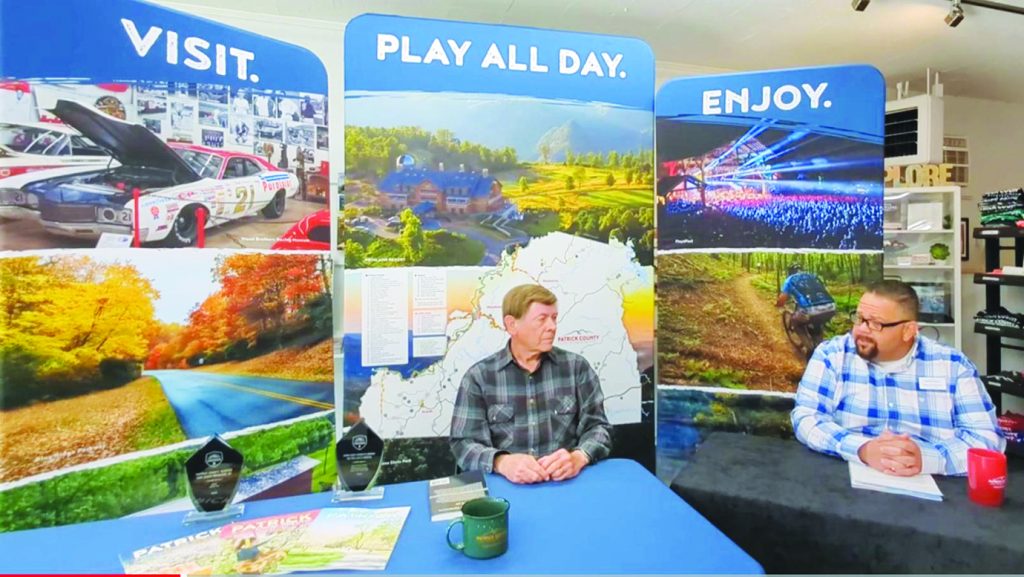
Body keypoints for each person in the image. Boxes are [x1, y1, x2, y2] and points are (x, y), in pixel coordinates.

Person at [791, 280, 1004, 476]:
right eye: (859, 318)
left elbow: (985, 439)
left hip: (934, 487)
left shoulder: (952, 366)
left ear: (908, 330)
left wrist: (925, 459)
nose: (861, 330)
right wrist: (862, 449)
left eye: (876, 324)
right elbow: (806, 417)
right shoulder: (832, 355)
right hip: (847, 476)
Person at [450, 284, 613, 484]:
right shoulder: (479, 378)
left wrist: (578, 457)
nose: (552, 327)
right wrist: (503, 462)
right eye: (542, 319)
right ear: (512, 325)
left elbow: (599, 428)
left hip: (566, 483)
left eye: (554, 318)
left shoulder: (576, 368)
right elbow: (463, 443)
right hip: (506, 487)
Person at [776, 263, 837, 343]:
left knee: (796, 322)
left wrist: (778, 304)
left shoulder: (790, 279)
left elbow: (782, 299)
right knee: (817, 323)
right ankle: (819, 344)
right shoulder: (813, 276)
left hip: (810, 310)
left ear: (790, 272)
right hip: (831, 307)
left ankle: (810, 348)